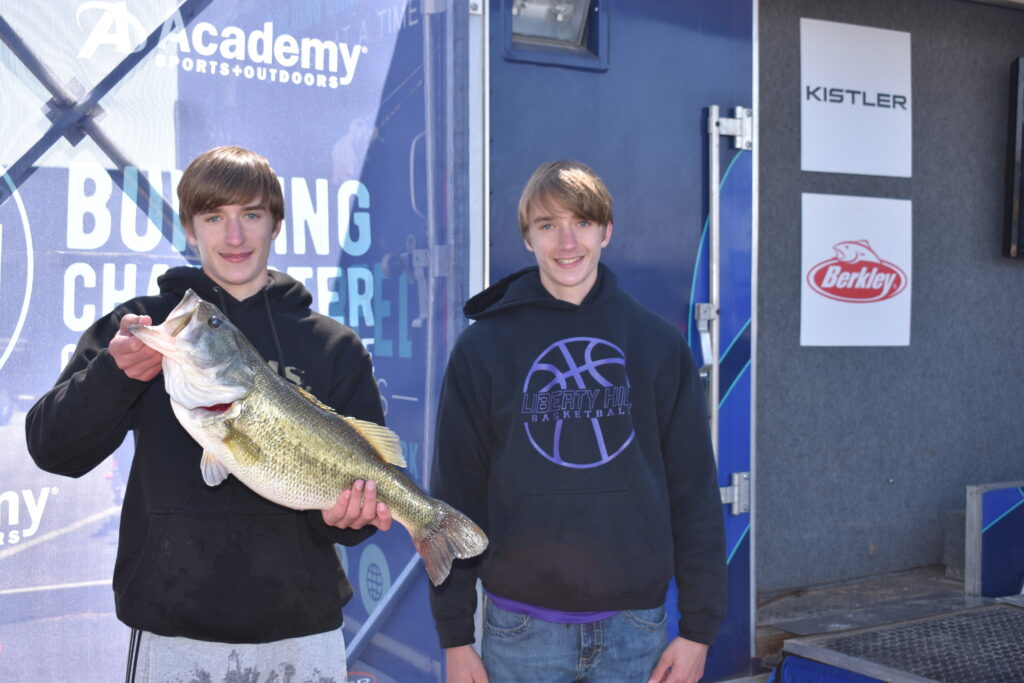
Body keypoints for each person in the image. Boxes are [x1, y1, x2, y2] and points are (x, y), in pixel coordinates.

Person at [25, 146, 391, 682]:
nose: (234, 236)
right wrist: (115, 373)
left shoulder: (334, 346)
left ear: (276, 225)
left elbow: (356, 515)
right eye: (214, 217)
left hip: (302, 630)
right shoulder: (146, 326)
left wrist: (353, 517)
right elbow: (52, 449)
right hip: (172, 629)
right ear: (191, 230)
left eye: (251, 215)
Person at [428, 160, 727, 683]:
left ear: (606, 232)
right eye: (548, 225)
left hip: (636, 628)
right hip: (519, 629)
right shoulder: (483, 348)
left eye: (582, 223)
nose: (567, 242)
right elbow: (454, 497)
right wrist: (455, 638)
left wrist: (699, 628)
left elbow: (694, 492)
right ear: (527, 238)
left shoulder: (657, 345)